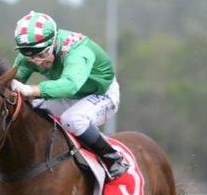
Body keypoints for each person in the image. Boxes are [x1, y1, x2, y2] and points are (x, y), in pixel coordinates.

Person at [9, 11, 129, 180]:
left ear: (53, 43)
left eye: (41, 55)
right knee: (29, 110)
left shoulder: (77, 50)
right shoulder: (30, 53)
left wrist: (30, 90)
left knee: (73, 119)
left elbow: (70, 85)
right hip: (67, 95)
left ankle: (113, 159)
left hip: (101, 94)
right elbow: (12, 82)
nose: (37, 61)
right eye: (30, 56)